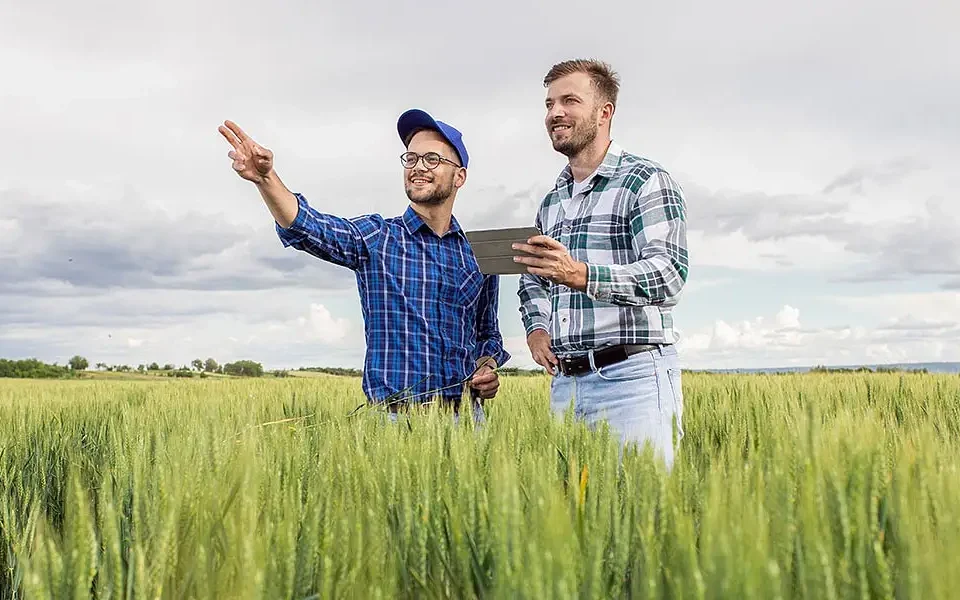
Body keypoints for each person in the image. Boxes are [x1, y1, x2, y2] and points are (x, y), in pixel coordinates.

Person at [218, 109, 510, 415]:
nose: (418, 167)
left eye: (432, 159)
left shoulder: (479, 253)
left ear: (459, 176)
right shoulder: (378, 237)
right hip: (394, 422)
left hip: (466, 421)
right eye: (411, 159)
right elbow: (311, 227)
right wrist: (267, 180)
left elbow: (487, 335)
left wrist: (486, 370)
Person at [515, 59, 689, 468]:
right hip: (566, 387)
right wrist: (537, 329)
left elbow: (669, 274)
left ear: (604, 112)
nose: (554, 112)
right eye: (549, 103)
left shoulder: (644, 180)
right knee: (576, 520)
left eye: (569, 100)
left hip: (632, 380)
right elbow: (533, 279)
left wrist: (579, 274)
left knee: (642, 515)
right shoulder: (552, 200)